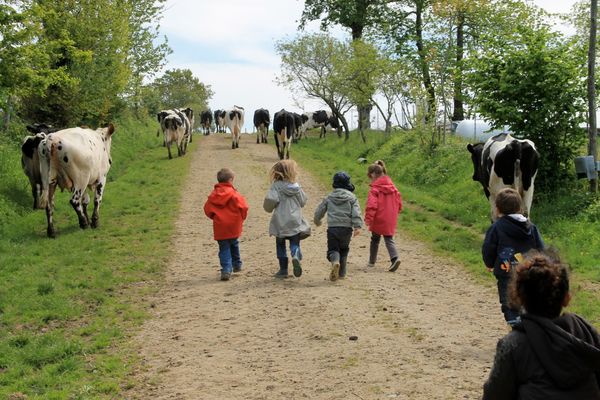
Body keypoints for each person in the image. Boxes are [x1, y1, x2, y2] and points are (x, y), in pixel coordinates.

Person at [482, 250, 600, 399]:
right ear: (567, 298)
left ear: (519, 298)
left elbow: (495, 394)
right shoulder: (584, 330)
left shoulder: (513, 344)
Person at [482, 188, 544, 326]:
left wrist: (489, 263)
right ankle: (529, 325)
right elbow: (541, 249)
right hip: (529, 273)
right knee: (528, 300)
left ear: (497, 209)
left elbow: (489, 248)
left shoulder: (496, 228)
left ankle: (517, 327)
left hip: (506, 273)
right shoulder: (531, 228)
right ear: (520, 208)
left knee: (509, 302)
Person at [263, 160, 311, 278]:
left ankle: (283, 270)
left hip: (280, 222)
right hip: (295, 221)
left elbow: (270, 201)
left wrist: (268, 208)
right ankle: (295, 255)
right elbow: (303, 201)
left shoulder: (276, 186)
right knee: (294, 243)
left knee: (280, 245)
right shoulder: (296, 186)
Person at [314, 171, 364, 281]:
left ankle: (335, 262)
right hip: (346, 229)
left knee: (332, 250)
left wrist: (317, 221)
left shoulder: (329, 197)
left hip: (333, 229)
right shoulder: (352, 197)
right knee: (344, 250)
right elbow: (356, 212)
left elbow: (320, 210)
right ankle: (342, 273)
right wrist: (357, 226)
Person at [203, 168, 249, 281]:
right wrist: (241, 218)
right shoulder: (235, 194)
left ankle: (226, 269)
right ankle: (237, 264)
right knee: (234, 243)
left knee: (223, 248)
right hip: (234, 225)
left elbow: (207, 209)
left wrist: (215, 217)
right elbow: (244, 207)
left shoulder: (213, 196)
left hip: (220, 227)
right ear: (230, 180)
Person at [364, 160, 403, 272]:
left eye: (370, 177)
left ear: (373, 175)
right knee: (388, 238)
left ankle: (371, 262)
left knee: (375, 239)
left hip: (378, 217)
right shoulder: (393, 187)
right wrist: (396, 211)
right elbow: (399, 201)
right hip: (390, 216)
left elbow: (372, 205)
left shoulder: (375, 189)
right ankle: (395, 258)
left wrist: (368, 218)